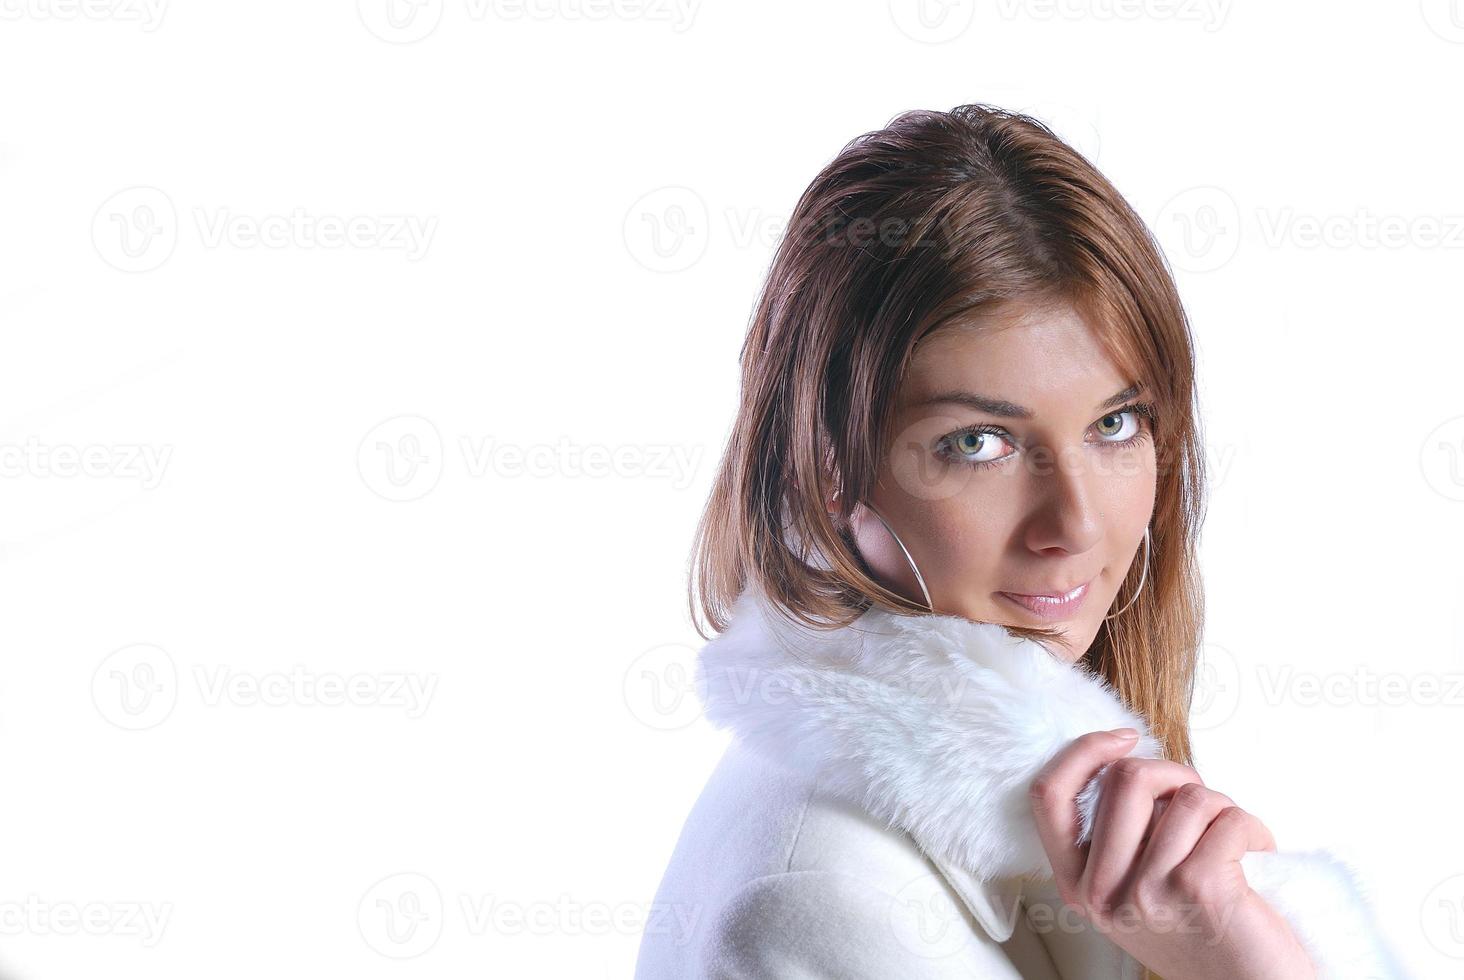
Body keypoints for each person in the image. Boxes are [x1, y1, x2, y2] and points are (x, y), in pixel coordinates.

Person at [634, 105, 1403, 979]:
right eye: (978, 443)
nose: (1074, 524)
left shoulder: (1057, 816)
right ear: (827, 470)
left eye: (1115, 423)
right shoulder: (826, 904)